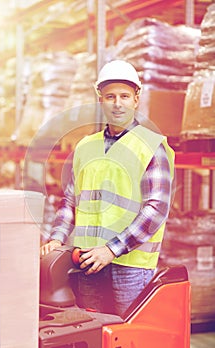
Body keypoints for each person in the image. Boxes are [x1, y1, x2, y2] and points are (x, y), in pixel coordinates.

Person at [41, 59, 175, 318]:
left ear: (136, 99)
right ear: (100, 100)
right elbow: (70, 201)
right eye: (110, 96)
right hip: (88, 263)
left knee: (128, 335)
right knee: (93, 330)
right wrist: (57, 238)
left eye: (125, 96)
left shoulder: (150, 146)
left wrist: (111, 249)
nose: (117, 103)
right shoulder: (84, 146)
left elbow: (156, 209)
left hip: (130, 266)